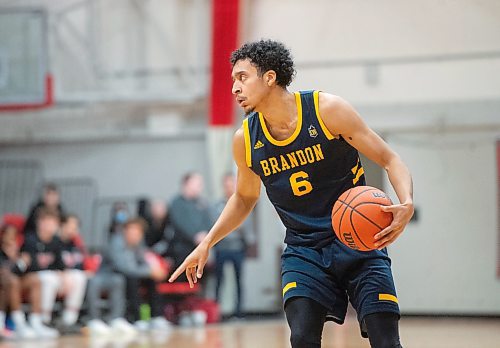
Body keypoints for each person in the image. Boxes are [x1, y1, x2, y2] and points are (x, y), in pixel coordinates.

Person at [169, 40, 414, 348]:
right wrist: (207, 243)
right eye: (233, 80)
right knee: (301, 338)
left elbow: (390, 159)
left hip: (359, 242)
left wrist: (406, 202)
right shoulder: (245, 139)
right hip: (304, 249)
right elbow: (245, 197)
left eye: (242, 77)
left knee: (386, 341)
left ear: (269, 77)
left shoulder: (327, 110)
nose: (234, 88)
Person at [21, 208, 86, 328]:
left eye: (55, 223)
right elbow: (29, 266)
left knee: (78, 276)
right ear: (40, 223)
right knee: (50, 278)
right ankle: (43, 319)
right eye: (50, 222)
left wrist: (65, 277)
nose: (53, 226)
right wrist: (56, 274)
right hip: (31, 277)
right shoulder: (30, 239)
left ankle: (69, 320)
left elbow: (60, 265)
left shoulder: (56, 241)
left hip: (51, 277)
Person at [109, 217, 171, 331]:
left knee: (152, 280)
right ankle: (137, 318)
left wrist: (153, 270)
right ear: (125, 231)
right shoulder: (116, 242)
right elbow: (125, 268)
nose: (135, 235)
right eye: (133, 231)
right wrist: (149, 271)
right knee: (133, 279)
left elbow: (143, 261)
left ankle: (156, 317)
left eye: (138, 232)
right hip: (114, 275)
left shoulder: (138, 244)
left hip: (133, 274)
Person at [0, 224, 59, 339]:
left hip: (16, 281)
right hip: (5, 284)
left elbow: (29, 267)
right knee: (12, 281)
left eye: (14, 236)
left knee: (34, 279)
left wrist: (22, 261)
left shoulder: (20, 249)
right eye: (8, 235)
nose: (11, 239)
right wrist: (18, 263)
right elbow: (5, 272)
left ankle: (36, 322)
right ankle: (19, 323)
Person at [212, 173, 254, 319]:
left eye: (232, 184)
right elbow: (216, 226)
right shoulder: (217, 206)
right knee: (218, 281)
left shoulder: (242, 204)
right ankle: (216, 313)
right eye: (227, 184)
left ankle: (239, 312)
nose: (229, 187)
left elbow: (247, 228)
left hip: (237, 248)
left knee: (239, 281)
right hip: (221, 247)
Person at [169, 173, 212, 272]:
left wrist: (205, 235)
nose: (200, 187)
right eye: (198, 184)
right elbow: (180, 223)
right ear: (187, 184)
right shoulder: (176, 203)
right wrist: (194, 236)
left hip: (201, 249)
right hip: (182, 249)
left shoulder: (202, 203)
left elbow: (209, 221)